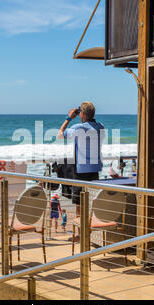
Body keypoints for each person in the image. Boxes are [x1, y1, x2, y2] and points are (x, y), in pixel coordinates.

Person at [57, 101, 105, 241]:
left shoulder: (78, 127)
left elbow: (60, 135)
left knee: (79, 204)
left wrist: (69, 118)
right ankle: (91, 233)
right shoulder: (100, 127)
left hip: (81, 170)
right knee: (91, 202)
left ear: (82, 114)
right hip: (95, 169)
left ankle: (81, 235)